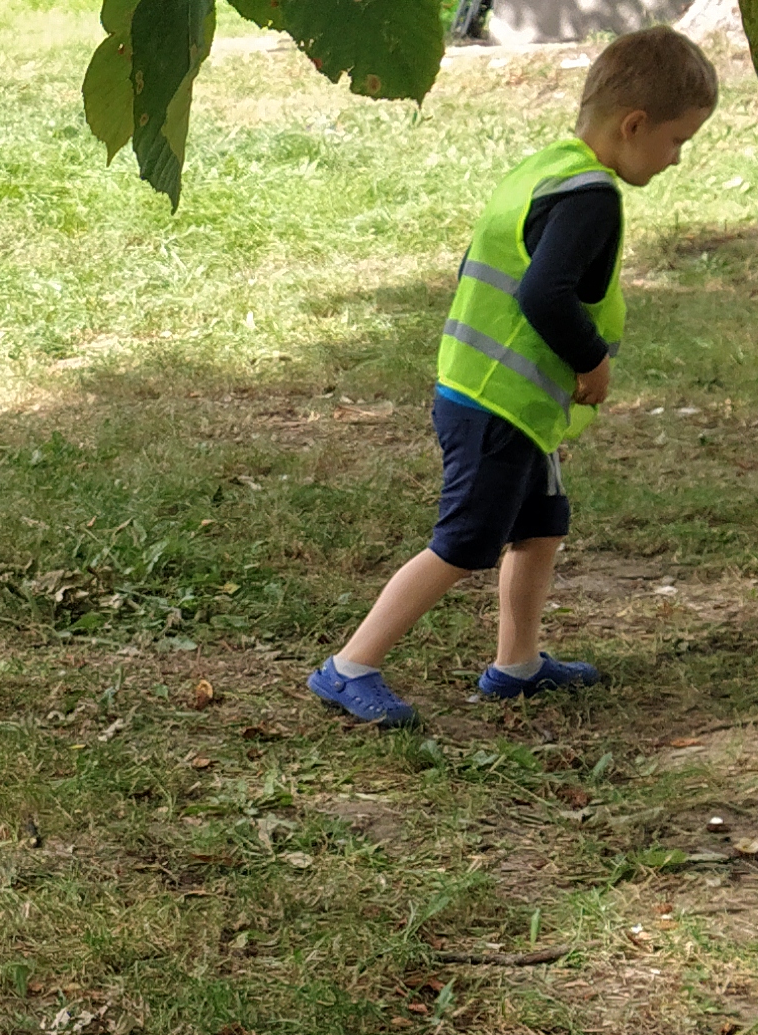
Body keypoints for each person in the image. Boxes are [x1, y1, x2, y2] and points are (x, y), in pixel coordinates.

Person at [306, 26, 718, 728]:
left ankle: (517, 666)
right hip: (498, 403)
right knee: (465, 541)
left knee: (540, 525)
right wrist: (591, 359)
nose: (677, 159)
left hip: (495, 396)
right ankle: (350, 666)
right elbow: (543, 295)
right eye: (678, 141)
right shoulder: (591, 197)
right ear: (634, 124)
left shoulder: (545, 169)